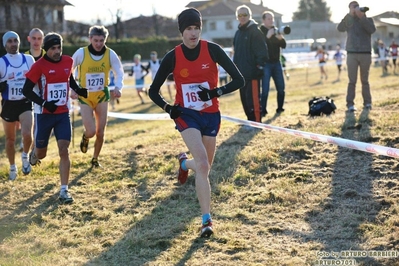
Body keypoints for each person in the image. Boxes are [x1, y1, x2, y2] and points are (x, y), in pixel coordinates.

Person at [148, 8, 244, 237]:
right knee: (202, 164)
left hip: (210, 114)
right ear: (182, 31)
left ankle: (184, 164)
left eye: (197, 28)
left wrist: (214, 93)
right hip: (186, 114)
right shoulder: (173, 56)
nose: (193, 33)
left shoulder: (213, 50)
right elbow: (153, 90)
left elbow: (239, 80)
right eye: (189, 29)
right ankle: (206, 220)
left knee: (204, 167)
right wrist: (169, 108)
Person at [22, 32, 88, 203]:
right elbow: (26, 90)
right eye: (53, 48)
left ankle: (64, 190)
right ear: (46, 49)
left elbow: (68, 78)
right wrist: (44, 103)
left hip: (62, 114)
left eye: (59, 47)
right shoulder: (39, 66)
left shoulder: (68, 61)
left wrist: (78, 89)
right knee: (41, 155)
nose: (57, 51)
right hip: (44, 116)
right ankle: (35, 153)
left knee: (64, 150)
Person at [72, 25, 124, 168]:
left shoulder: (110, 54)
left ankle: (95, 158)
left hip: (102, 96)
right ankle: (85, 136)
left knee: (100, 132)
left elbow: (119, 72)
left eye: (102, 40)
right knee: (91, 131)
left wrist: (118, 87)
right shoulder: (81, 53)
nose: (99, 44)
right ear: (90, 39)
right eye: (96, 40)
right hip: (85, 97)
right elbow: (68, 70)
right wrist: (73, 88)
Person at [0, 31, 35, 180]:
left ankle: (25, 157)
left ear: (19, 42)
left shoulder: (28, 59)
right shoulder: (1, 62)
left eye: (15, 41)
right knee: (10, 139)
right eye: (10, 41)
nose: (13, 44)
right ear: (5, 44)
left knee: (27, 134)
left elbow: (37, 80)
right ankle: (12, 167)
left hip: (25, 103)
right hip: (8, 104)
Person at [337, 1, 376, 112]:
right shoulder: (349, 20)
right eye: (352, 7)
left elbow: (371, 30)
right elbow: (340, 28)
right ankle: (350, 104)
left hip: (365, 53)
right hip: (351, 54)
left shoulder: (368, 20)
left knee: (365, 80)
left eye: (356, 7)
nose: (355, 9)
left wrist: (362, 17)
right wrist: (349, 15)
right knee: (352, 81)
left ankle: (367, 103)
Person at [233, 5, 268, 122]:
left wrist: (259, 67)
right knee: (245, 100)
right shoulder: (238, 34)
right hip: (241, 74)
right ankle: (250, 121)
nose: (242, 17)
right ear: (237, 17)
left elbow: (262, 51)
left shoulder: (255, 32)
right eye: (240, 15)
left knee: (253, 100)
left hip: (252, 73)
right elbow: (236, 54)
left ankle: (257, 122)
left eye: (245, 15)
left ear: (249, 16)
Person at [259, 11, 286, 117]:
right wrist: (267, 37)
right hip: (266, 64)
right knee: (265, 89)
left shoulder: (276, 30)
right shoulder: (260, 31)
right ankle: (263, 110)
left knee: (281, 87)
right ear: (264, 20)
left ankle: (280, 108)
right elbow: (260, 46)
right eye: (269, 19)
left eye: (272, 18)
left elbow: (283, 45)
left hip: (277, 62)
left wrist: (281, 39)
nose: (271, 20)